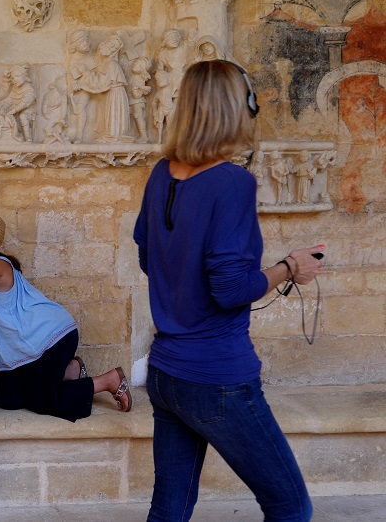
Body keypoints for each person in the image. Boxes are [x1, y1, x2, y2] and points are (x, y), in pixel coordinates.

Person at [133, 60, 322, 522]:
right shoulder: (233, 182)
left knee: (169, 511)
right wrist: (289, 266)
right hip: (217, 377)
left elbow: (146, 257)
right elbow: (233, 289)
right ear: (241, 108)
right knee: (291, 508)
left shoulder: (162, 173)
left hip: (165, 373)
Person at [0, 208, 132, 422]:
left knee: (44, 402)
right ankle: (69, 371)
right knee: (7, 398)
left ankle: (108, 380)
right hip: (27, 346)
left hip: (49, 338)